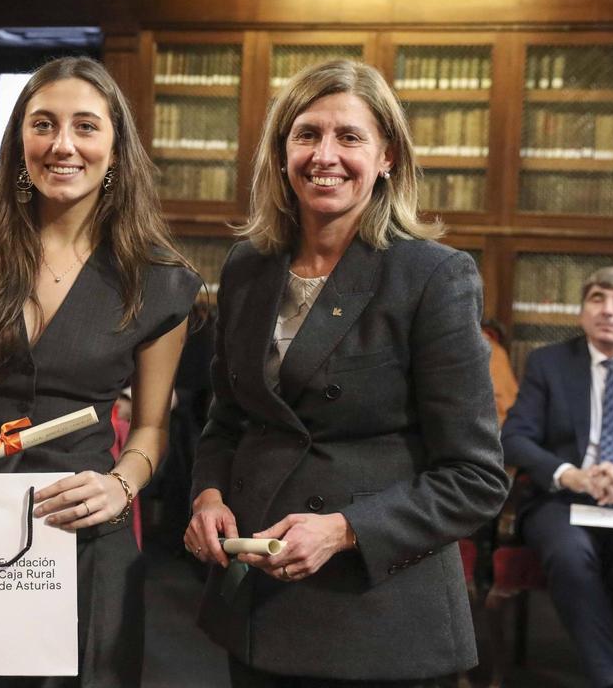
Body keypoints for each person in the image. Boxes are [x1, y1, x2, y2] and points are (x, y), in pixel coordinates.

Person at [185, 59, 508, 686]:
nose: (324, 155)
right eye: (306, 134)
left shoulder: (434, 277)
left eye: (349, 137)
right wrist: (208, 495)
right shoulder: (249, 266)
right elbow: (227, 420)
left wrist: (342, 530)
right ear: (282, 152)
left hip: (379, 618)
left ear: (387, 156)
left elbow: (475, 478)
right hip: (257, 606)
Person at [0, 56, 201, 686]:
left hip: (84, 538)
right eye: (44, 124)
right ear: (20, 143)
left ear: (115, 150)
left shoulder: (160, 281)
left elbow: (151, 430)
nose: (63, 145)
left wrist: (120, 486)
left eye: (86, 127)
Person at [501, 266, 613, 688]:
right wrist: (573, 476)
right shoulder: (548, 363)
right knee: (569, 556)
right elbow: (513, 438)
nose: (607, 310)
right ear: (582, 312)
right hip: (562, 499)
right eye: (597, 298)